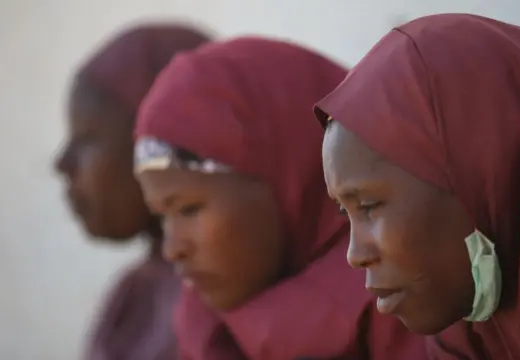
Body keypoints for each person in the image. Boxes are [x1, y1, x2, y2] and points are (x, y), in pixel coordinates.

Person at [317, 13, 520, 359]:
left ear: (477, 165)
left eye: (368, 206)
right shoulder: (467, 320)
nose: (355, 255)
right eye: (344, 212)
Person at [133, 37, 426, 360]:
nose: (173, 248)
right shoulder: (203, 326)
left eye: (189, 209)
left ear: (288, 175)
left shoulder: (413, 301)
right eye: (161, 216)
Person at [55, 23, 211, 360]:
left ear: (164, 142)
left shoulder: (235, 305)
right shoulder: (132, 296)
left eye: (87, 137)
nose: (61, 163)